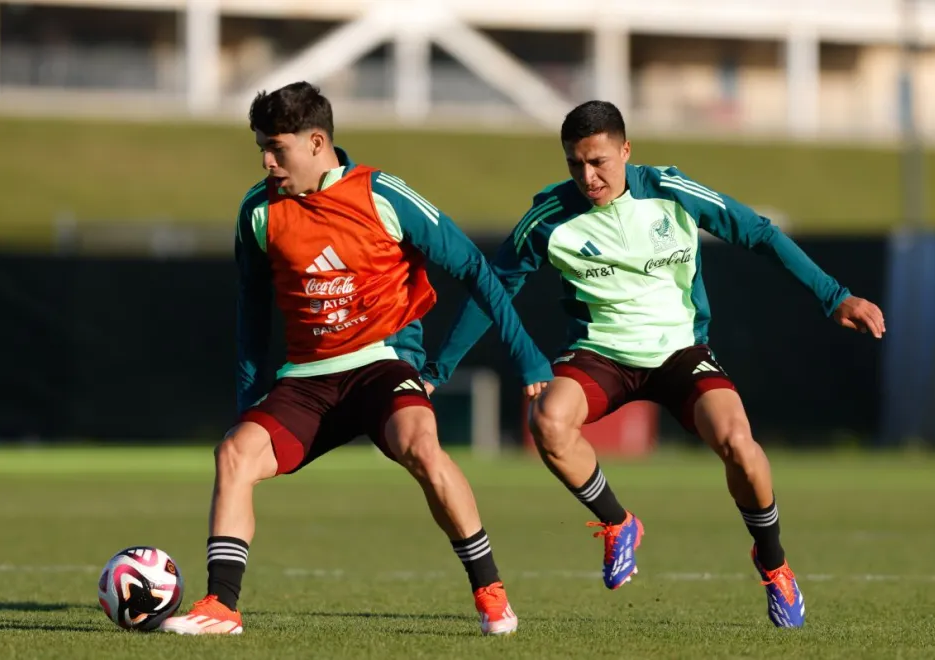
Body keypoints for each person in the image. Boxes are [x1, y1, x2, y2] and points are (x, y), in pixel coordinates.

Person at [421, 100, 886, 629]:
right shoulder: (550, 216)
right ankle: (618, 524)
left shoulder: (670, 190)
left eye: (598, 161)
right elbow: (491, 288)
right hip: (601, 351)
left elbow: (758, 232)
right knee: (547, 421)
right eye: (575, 164)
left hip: (681, 352)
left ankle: (774, 564)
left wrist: (834, 296)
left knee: (740, 446)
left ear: (625, 150)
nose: (588, 176)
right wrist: (437, 371)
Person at [160, 82, 551, 637]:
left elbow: (475, 271)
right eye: (261, 150)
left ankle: (490, 593)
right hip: (307, 381)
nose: (268, 162)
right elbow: (251, 316)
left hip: (382, 364)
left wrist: (530, 359)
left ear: (317, 141)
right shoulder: (258, 212)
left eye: (277, 148)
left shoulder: (383, 196)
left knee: (421, 443)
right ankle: (222, 606)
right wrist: (248, 404)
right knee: (234, 454)